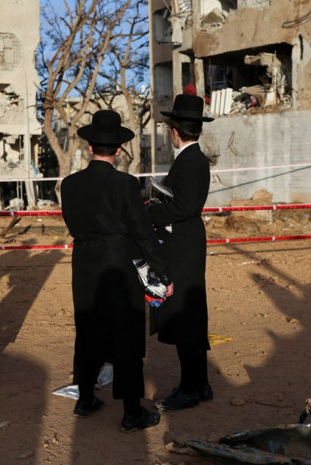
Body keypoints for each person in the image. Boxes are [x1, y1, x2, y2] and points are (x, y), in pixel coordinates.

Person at [61, 110, 172, 433]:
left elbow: (72, 222)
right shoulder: (125, 184)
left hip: (84, 263)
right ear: (119, 149)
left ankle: (85, 399)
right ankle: (132, 412)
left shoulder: (69, 184)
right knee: (126, 337)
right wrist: (163, 274)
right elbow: (143, 234)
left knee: (88, 332)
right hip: (118, 264)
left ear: (89, 147)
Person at [147, 94, 214, 412]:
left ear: (175, 131)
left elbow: (185, 207)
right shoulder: (195, 158)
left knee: (185, 318)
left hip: (182, 247)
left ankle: (190, 388)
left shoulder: (189, 160)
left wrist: (151, 211)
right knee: (192, 316)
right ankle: (200, 384)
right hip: (188, 243)